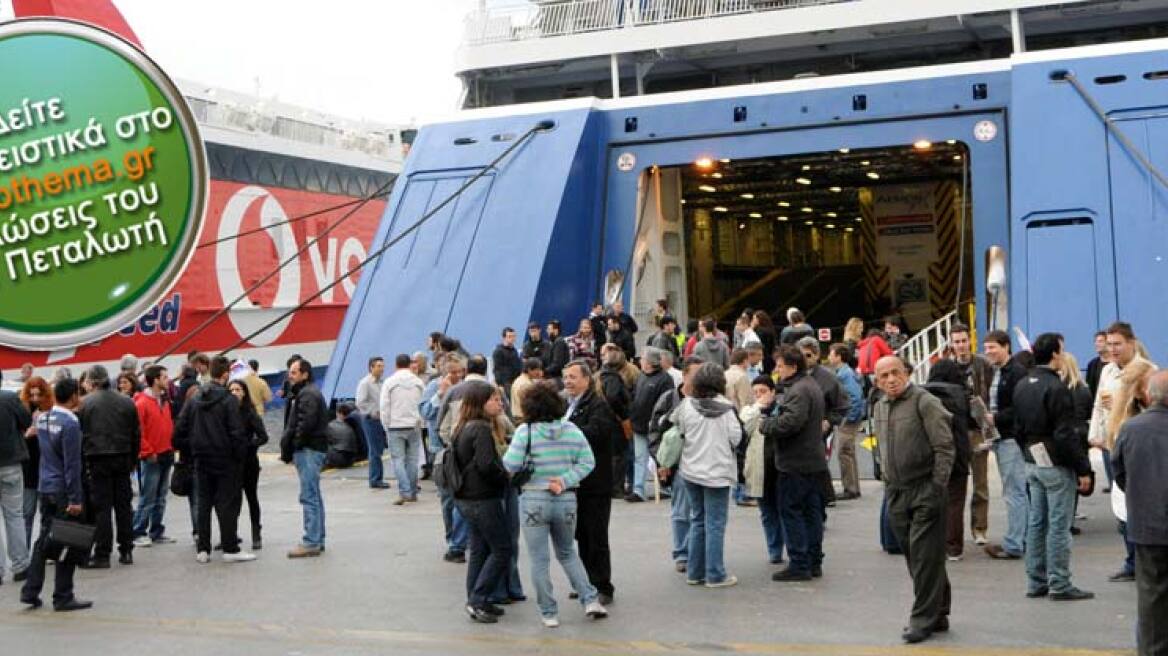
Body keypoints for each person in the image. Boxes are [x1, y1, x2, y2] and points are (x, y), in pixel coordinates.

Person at [504, 380, 608, 627]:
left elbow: (510, 465)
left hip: (533, 500)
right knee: (568, 552)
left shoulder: (525, 432)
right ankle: (590, 599)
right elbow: (587, 462)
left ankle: (549, 612)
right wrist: (564, 480)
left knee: (539, 559)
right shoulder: (571, 429)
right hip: (566, 498)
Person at [873, 355, 954, 644]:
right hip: (896, 491)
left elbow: (945, 447)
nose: (891, 380)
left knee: (923, 556)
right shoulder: (880, 406)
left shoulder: (925, 402)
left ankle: (922, 619)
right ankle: (939, 611)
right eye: (884, 376)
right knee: (918, 555)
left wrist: (936, 487)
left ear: (907, 372)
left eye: (896, 373)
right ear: (877, 381)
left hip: (924, 488)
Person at [1012, 333, 1094, 601]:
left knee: (1037, 523)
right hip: (1056, 462)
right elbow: (1065, 433)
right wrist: (1083, 468)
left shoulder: (1022, 384)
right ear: (1056, 354)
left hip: (1032, 459)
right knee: (1058, 526)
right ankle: (1059, 581)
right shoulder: (1057, 387)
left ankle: (1036, 580)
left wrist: (1027, 451)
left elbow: (1017, 427)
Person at [172, 356, 255, 564]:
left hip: (201, 459)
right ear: (226, 374)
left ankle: (203, 549)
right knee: (226, 504)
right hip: (225, 459)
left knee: (203, 503)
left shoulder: (195, 399)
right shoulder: (228, 400)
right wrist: (239, 457)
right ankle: (230, 547)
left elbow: (178, 432)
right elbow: (236, 433)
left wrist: (193, 447)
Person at [20, 377, 91, 611]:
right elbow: (72, 465)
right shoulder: (70, 424)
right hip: (62, 489)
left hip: (45, 487)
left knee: (43, 541)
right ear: (73, 396)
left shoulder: (42, 418)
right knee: (66, 541)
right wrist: (75, 499)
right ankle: (63, 595)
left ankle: (30, 590)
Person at [668, 363, 742, 588]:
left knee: (698, 520)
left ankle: (695, 571)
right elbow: (736, 439)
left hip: (691, 471)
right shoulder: (727, 409)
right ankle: (715, 574)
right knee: (715, 524)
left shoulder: (687, 406)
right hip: (718, 472)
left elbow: (678, 431)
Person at [1112, 370, 1168, 655]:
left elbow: (1119, 472)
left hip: (1147, 525)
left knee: (1151, 597)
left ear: (1149, 395)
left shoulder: (1131, 428)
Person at [762, 345, 828, 582]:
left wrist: (765, 424)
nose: (776, 370)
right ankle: (813, 560)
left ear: (792, 366)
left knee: (792, 511)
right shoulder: (810, 386)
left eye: (779, 365)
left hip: (795, 461)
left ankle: (800, 563)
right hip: (811, 459)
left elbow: (789, 423)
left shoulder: (798, 390)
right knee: (811, 513)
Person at [451, 382, 512, 624]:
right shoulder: (481, 429)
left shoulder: (462, 426)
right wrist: (506, 477)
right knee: (502, 549)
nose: (499, 403)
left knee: (479, 549)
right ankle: (478, 599)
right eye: (494, 399)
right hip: (483, 498)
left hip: (466, 498)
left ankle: (476, 598)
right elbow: (486, 464)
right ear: (480, 403)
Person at [562, 360, 619, 605]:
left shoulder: (597, 405)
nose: (567, 382)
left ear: (587, 379)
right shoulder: (571, 404)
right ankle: (586, 583)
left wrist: (567, 431)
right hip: (577, 482)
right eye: (565, 377)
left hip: (595, 482)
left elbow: (598, 433)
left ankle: (602, 585)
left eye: (572, 377)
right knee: (581, 535)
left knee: (596, 536)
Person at [76, 365, 140, 568]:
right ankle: (127, 549)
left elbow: (80, 434)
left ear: (92, 382)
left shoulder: (85, 404)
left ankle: (103, 553)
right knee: (124, 505)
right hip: (122, 456)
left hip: (97, 458)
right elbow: (135, 433)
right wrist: (132, 459)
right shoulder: (126, 401)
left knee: (102, 508)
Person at [1104, 356, 1157, 582]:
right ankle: (1134, 565)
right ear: (1139, 390)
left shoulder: (1123, 421)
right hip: (1139, 496)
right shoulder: (1132, 424)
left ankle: (1134, 565)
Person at [1091, 322, 1155, 495]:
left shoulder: (1147, 370)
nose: (1112, 349)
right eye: (1109, 344)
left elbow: (1155, 414)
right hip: (1112, 442)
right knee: (1118, 494)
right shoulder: (1107, 371)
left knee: (1136, 495)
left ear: (1131, 343)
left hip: (1137, 445)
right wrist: (1095, 435)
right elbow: (1098, 404)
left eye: (1117, 344)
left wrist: (1122, 405)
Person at [981, 330, 1029, 561]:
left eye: (992, 347)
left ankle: (1015, 543)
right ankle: (1023, 538)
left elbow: (1021, 407)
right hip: (1000, 437)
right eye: (986, 348)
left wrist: (996, 418)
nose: (988, 352)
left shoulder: (1017, 373)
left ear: (1006, 346)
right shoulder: (996, 372)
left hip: (1011, 437)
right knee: (1015, 490)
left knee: (1014, 492)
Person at [947, 323, 993, 545]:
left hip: (978, 430)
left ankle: (979, 529)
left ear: (970, 340)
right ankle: (954, 534)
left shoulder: (983, 364)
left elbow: (992, 393)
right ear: (951, 344)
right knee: (956, 485)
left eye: (964, 340)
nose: (961, 345)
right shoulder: (947, 367)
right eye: (957, 342)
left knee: (981, 484)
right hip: (956, 431)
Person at [420, 355, 469, 563]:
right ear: (443, 372)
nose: (458, 376)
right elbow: (424, 412)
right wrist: (440, 394)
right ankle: (453, 540)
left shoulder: (466, 387)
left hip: (464, 448)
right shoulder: (433, 387)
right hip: (442, 451)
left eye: (460, 371)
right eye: (453, 372)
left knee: (465, 497)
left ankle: (461, 540)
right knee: (449, 498)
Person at [279, 357, 330, 559]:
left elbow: (304, 424)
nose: (289, 375)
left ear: (304, 374)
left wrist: (295, 445)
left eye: (293, 372)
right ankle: (318, 538)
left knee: (308, 496)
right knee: (314, 495)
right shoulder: (308, 392)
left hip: (308, 450)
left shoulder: (306, 395)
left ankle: (311, 541)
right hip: (313, 448)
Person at [923, 360, 972, 562]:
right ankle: (954, 546)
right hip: (957, 453)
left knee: (931, 499)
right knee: (955, 501)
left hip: (930, 454)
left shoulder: (922, 395)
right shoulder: (963, 394)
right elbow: (975, 421)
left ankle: (931, 543)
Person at [741, 375, 785, 565]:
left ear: (773, 392)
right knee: (767, 512)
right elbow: (744, 430)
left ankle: (790, 546)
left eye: (763, 391)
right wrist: (757, 407)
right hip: (760, 468)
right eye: (756, 392)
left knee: (784, 510)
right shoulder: (750, 411)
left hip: (781, 467)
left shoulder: (782, 410)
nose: (759, 395)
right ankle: (774, 550)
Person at [131, 365, 176, 548]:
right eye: (165, 377)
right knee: (148, 497)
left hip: (166, 452)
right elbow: (137, 432)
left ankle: (156, 530)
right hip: (152, 457)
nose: (168, 380)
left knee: (161, 496)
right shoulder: (141, 403)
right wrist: (148, 452)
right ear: (156, 380)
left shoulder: (164, 401)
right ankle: (138, 531)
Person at [627, 348, 675, 502]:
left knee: (660, 457)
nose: (640, 361)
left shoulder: (665, 379)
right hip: (639, 424)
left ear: (648, 362)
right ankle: (638, 489)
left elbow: (667, 402)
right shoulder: (641, 376)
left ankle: (665, 487)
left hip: (656, 427)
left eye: (642, 358)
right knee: (639, 457)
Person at [227, 379, 268, 550]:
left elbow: (263, 436)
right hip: (232, 462)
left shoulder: (250, 414)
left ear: (244, 393)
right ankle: (230, 534)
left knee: (251, 497)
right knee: (232, 500)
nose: (235, 392)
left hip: (249, 461)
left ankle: (256, 532)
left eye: (238, 390)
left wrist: (249, 445)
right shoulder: (225, 413)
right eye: (232, 390)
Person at [380, 354, 425, 505]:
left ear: (396, 365)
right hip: (414, 425)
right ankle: (412, 492)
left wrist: (386, 424)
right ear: (409, 364)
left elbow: (384, 406)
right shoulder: (418, 382)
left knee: (398, 460)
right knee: (412, 460)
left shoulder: (389, 382)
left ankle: (405, 491)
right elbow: (423, 403)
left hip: (395, 425)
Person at [1, 370, 33, 585]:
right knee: (15, 515)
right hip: (10, 463)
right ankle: (20, 565)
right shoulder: (9, 398)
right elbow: (26, 420)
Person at [828, 343, 865, 500]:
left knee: (844, 451)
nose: (829, 356)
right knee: (847, 452)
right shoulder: (845, 372)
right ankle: (852, 486)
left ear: (839, 357)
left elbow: (855, 397)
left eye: (831, 353)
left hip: (848, 419)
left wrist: (848, 418)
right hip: (849, 417)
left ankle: (850, 488)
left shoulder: (845, 375)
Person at [19, 377, 52, 546]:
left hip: (47, 467)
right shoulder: (22, 412)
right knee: (27, 512)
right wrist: (29, 433)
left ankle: (45, 549)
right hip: (29, 469)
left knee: (47, 513)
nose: (35, 399)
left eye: (38, 394)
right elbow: (17, 440)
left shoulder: (51, 411)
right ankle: (24, 551)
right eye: (31, 395)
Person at [597, 346, 633, 499]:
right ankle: (616, 487)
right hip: (615, 421)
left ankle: (612, 485)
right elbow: (613, 397)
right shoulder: (613, 378)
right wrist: (623, 415)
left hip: (607, 420)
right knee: (620, 455)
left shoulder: (602, 376)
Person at [355, 356, 389, 489]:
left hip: (381, 419)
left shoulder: (382, 382)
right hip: (371, 420)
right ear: (371, 367)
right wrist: (373, 412)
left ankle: (378, 477)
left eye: (382, 366)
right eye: (379, 366)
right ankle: (375, 479)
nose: (382, 368)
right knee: (375, 450)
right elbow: (360, 402)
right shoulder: (365, 383)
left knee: (379, 449)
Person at [324, 403, 363, 469]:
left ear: (337, 413)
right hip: (351, 460)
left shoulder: (331, 425)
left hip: (339, 460)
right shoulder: (351, 427)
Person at [510, 358, 544, 425]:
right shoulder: (526, 384)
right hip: (523, 419)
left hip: (517, 416)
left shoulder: (519, 379)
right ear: (529, 370)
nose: (540, 372)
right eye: (538, 370)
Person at [492, 328, 523, 395]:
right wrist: (500, 384)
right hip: (506, 383)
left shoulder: (514, 350)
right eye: (509, 336)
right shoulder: (498, 351)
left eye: (513, 336)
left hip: (516, 382)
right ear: (504, 338)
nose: (512, 338)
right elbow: (497, 369)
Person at [1085, 331, 1108, 400]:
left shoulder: (1116, 363)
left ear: (1108, 343)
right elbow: (1089, 388)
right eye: (1095, 341)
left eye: (1100, 341)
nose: (1097, 344)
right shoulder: (1092, 364)